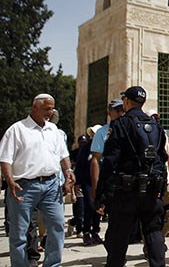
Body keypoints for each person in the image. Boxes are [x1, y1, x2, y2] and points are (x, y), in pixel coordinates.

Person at [95, 86, 168, 267]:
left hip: (126, 192)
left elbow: (110, 162)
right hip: (151, 190)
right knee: (153, 231)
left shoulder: (120, 124)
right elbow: (162, 159)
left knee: (119, 236)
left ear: (126, 102)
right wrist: (162, 186)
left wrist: (101, 194)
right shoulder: (156, 127)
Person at [0, 93, 75, 267]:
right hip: (23, 186)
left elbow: (63, 155)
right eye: (46, 108)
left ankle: (52, 264)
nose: (50, 112)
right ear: (34, 107)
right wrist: (9, 181)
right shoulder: (17, 130)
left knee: (57, 226)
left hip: (50, 185)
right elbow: (5, 159)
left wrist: (68, 171)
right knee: (19, 233)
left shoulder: (53, 130)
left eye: (52, 109)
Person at [145, 109, 169, 238]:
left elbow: (168, 157)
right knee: (150, 212)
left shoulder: (162, 134)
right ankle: (150, 244)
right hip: (150, 178)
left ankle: (159, 237)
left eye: (157, 117)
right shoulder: (144, 134)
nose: (156, 119)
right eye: (153, 117)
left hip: (165, 178)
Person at [75, 124, 103, 246]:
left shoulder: (104, 147)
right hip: (88, 182)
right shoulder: (86, 148)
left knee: (99, 207)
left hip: (101, 182)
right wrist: (77, 182)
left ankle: (95, 231)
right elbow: (80, 165)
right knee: (90, 206)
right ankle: (86, 232)